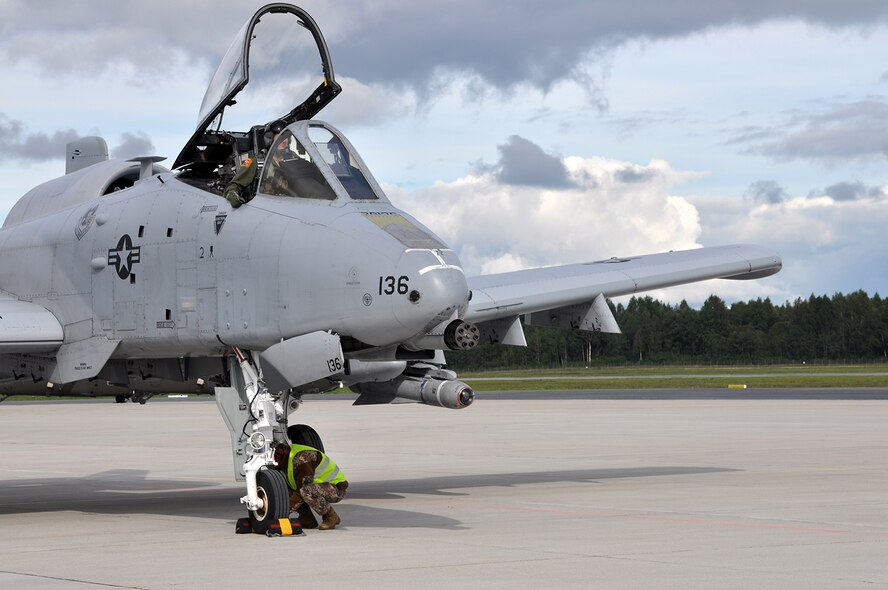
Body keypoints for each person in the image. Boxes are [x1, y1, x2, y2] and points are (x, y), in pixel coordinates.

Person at [272, 441, 348, 530]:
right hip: (317, 487)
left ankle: (330, 516)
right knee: (283, 487)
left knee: (306, 490)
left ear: (279, 452)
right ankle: (307, 519)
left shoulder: (302, 458)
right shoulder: (281, 460)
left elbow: (302, 489)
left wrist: (282, 513)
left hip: (335, 488)